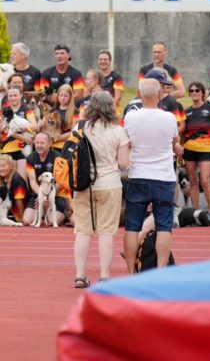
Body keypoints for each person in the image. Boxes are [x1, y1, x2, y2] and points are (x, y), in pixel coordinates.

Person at [71, 92, 130, 287]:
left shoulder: (80, 128)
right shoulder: (118, 131)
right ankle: (104, 275)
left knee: (83, 231)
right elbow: (123, 164)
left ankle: (80, 275)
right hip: (110, 184)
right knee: (106, 232)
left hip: (83, 186)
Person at [123, 79, 181, 274]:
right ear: (159, 95)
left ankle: (132, 272)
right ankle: (161, 271)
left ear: (139, 94)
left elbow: (127, 143)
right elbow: (175, 143)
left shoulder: (130, 118)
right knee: (164, 226)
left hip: (139, 175)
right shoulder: (169, 118)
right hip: (164, 177)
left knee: (132, 226)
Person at [182, 82, 210, 212]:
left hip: (206, 150)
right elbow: (183, 132)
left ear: (202, 92)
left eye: (197, 90)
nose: (194, 93)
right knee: (193, 181)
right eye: (191, 91)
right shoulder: (186, 112)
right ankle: (195, 212)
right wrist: (181, 150)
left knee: (205, 181)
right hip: (189, 150)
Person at [26, 132, 67, 226]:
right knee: (27, 220)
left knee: (53, 221)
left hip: (56, 194)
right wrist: (42, 197)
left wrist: (49, 197)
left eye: (42, 143)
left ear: (49, 143)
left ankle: (64, 214)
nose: (39, 145)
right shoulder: (30, 158)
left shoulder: (59, 158)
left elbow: (60, 182)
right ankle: (43, 215)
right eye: (37, 142)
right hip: (39, 194)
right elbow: (32, 181)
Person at [0, 86, 37, 178]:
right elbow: (4, 129)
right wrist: (23, 137)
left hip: (23, 149)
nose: (13, 98)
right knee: (10, 179)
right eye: (10, 96)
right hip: (8, 147)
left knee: (22, 179)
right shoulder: (5, 111)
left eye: (15, 95)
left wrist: (24, 128)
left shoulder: (26, 109)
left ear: (21, 95)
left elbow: (34, 125)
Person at [0, 155, 29, 222]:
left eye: (3, 166)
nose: (0, 169)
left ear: (11, 167)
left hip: (17, 212)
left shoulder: (17, 180)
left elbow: (19, 201)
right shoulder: (3, 178)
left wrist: (21, 218)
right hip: (9, 209)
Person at [49, 84, 77, 151]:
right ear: (57, 96)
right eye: (61, 95)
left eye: (66, 96)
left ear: (70, 97)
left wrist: (57, 138)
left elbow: (73, 132)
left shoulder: (75, 112)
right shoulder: (52, 111)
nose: (63, 98)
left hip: (66, 146)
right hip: (51, 146)